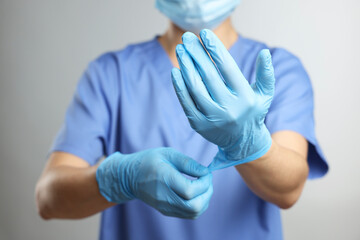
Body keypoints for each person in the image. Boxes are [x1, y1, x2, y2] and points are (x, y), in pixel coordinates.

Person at [35, 0, 328, 239]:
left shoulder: (278, 69)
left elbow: (289, 189)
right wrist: (122, 178)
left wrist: (248, 143)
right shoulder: (111, 74)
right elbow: (48, 198)